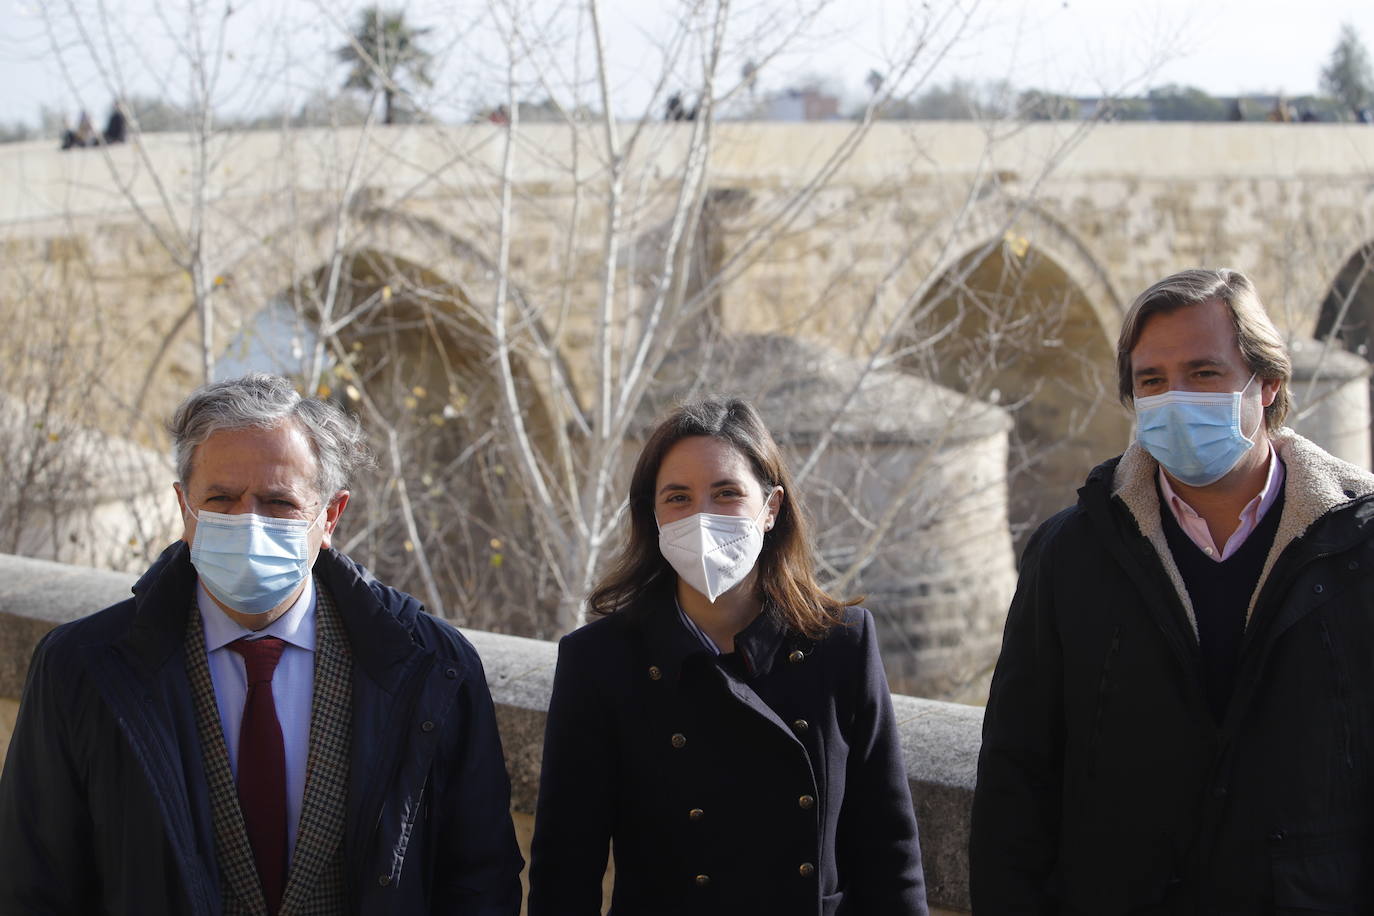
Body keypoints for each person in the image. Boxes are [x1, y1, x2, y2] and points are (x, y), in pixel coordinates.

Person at [0, 373, 523, 915]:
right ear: (185, 509)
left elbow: (479, 879)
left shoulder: (433, 668)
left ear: (331, 516)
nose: (247, 523)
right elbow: (33, 882)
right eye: (221, 498)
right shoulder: (82, 671)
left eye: (277, 502)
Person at [970, 268, 1374, 912]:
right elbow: (1018, 773)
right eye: (1152, 381)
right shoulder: (1072, 553)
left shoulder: (1357, 546)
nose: (1175, 397)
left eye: (1204, 373)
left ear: (1267, 384)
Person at [529, 399, 927, 915]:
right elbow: (565, 867)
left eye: (726, 493)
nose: (702, 517)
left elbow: (888, 848)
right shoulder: (600, 660)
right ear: (652, 516)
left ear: (771, 508)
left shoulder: (841, 642)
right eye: (678, 497)